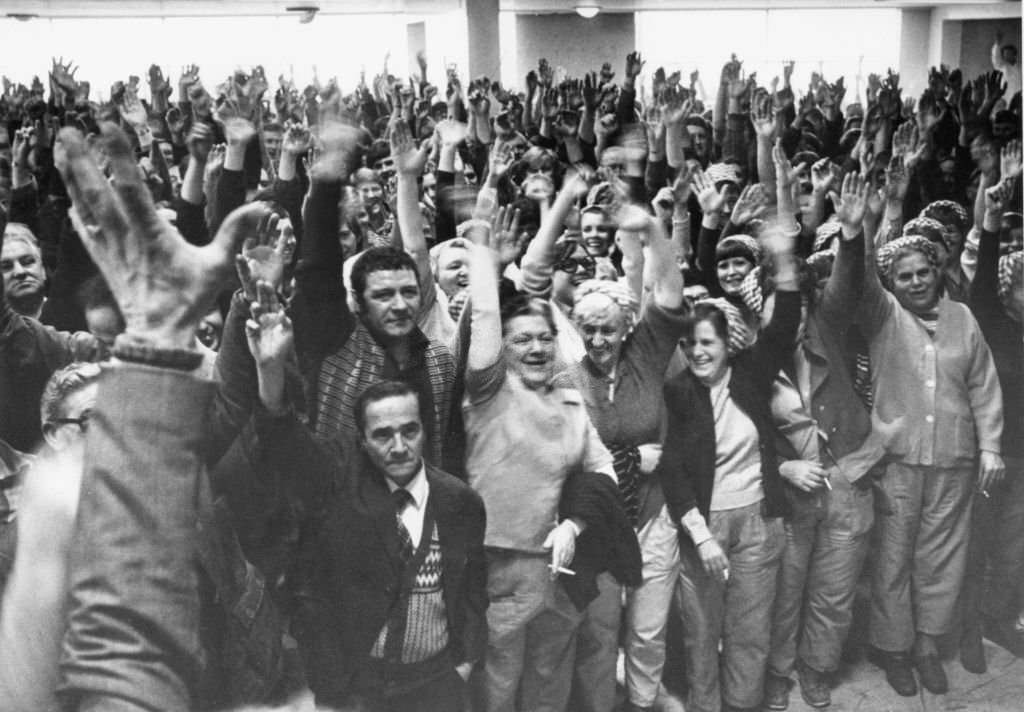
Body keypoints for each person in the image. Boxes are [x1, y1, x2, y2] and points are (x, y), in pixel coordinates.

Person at [246, 296, 487, 711]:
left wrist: (464, 661)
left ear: (423, 431)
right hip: (360, 686)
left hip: (435, 681)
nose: (398, 446)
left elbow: (472, 590)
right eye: (382, 434)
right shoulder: (339, 488)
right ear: (361, 439)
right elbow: (285, 443)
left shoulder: (459, 501)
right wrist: (270, 372)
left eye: (409, 431)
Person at [464, 218, 616, 712]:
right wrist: (489, 262)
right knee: (500, 680)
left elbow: (602, 471)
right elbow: (485, 317)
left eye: (544, 338)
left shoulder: (571, 399)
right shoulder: (487, 391)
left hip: (562, 569)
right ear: (502, 349)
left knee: (551, 679)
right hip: (500, 567)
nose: (535, 348)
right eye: (521, 339)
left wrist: (574, 523)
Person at [657, 222, 801, 712]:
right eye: (689, 345)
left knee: (750, 633)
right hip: (705, 529)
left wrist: (782, 262)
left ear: (727, 346)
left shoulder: (750, 376)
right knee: (701, 636)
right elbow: (673, 469)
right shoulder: (676, 394)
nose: (697, 353)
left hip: (760, 523)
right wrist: (699, 535)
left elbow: (781, 329)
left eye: (708, 344)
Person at [861, 230, 1004, 696]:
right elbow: (857, 279)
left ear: (939, 272)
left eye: (924, 271)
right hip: (899, 460)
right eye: (905, 276)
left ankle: (926, 646)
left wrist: (990, 447)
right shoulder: (883, 313)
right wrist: (861, 225)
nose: (917, 281)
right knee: (894, 558)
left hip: (953, 459)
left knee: (941, 558)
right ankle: (895, 650)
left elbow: (983, 386)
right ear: (892, 282)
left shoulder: (962, 317)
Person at [559, 205, 687, 712]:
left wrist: (653, 229)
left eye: (608, 330)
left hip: (654, 518)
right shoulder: (567, 379)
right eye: (587, 329)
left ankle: (641, 702)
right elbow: (572, 461)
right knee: (598, 634)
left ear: (626, 325)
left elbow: (670, 295)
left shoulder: (646, 356)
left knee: (649, 631)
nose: (598, 340)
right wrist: (632, 456)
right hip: (600, 527)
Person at [1, 224, 47, 320]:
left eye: (27, 262)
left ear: (43, 269)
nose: (20, 272)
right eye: (6, 267)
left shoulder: (75, 311)